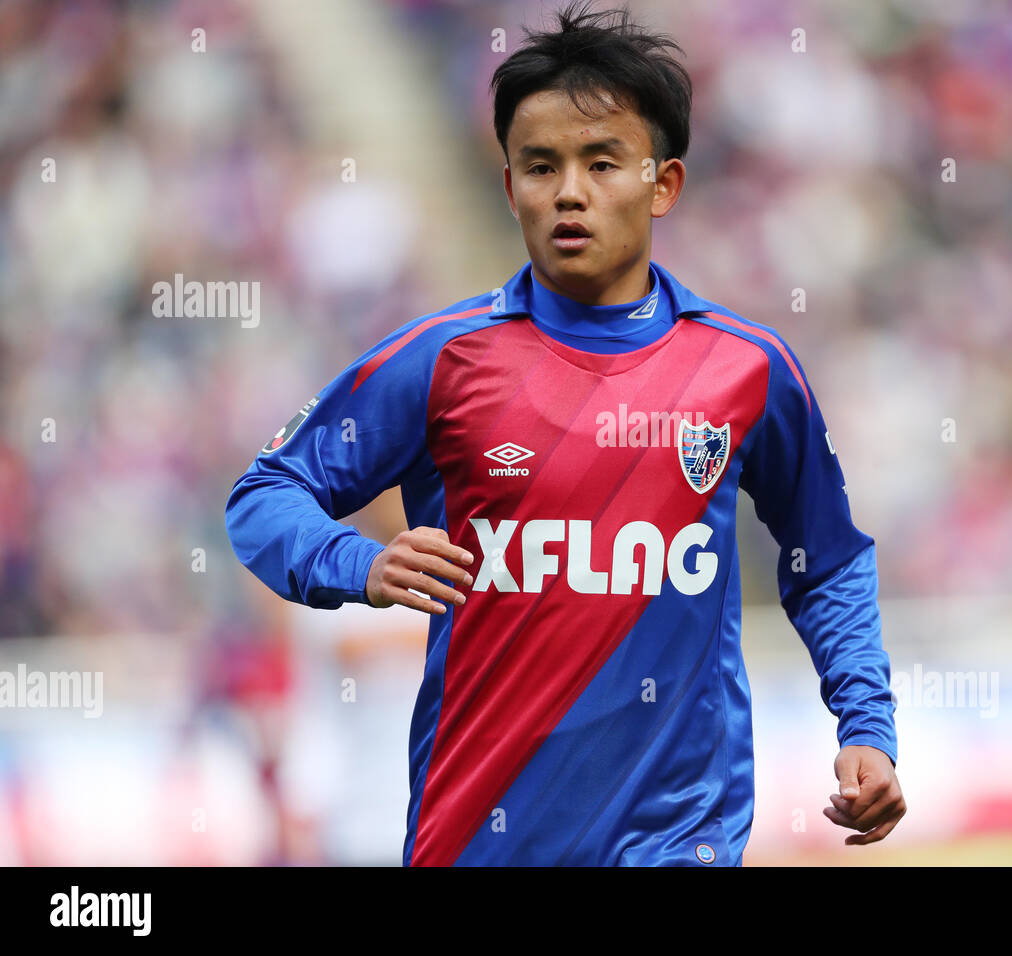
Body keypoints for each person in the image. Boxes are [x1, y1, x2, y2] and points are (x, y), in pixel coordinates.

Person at [225, 0, 904, 866]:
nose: (569, 191)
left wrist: (867, 726)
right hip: (479, 836)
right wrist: (356, 565)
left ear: (664, 183)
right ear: (509, 187)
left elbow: (829, 558)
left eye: (602, 162)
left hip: (679, 837)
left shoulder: (747, 371)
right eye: (540, 166)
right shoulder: (441, 362)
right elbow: (263, 496)